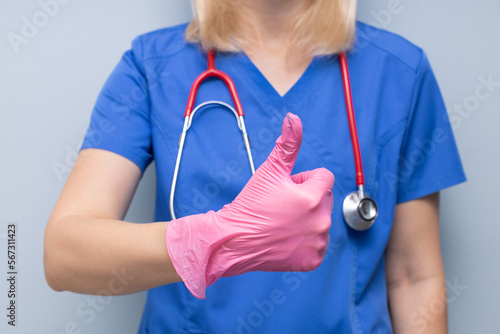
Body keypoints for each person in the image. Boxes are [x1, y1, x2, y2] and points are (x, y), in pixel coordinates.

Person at [43, 0, 466, 333]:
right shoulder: (152, 67)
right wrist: (219, 239)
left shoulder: (399, 72)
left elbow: (414, 277)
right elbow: (63, 255)